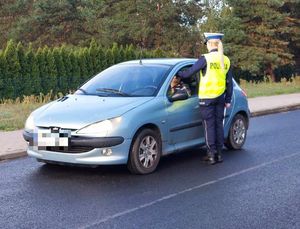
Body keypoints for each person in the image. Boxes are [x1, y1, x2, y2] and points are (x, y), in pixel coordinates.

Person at [176, 32, 233, 165]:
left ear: (209, 44)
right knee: (218, 125)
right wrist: (228, 100)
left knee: (209, 127)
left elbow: (189, 73)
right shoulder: (225, 59)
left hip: (207, 98)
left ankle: (211, 155)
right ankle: (219, 154)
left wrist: (179, 74)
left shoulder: (205, 58)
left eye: (206, 44)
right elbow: (228, 82)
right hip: (220, 98)